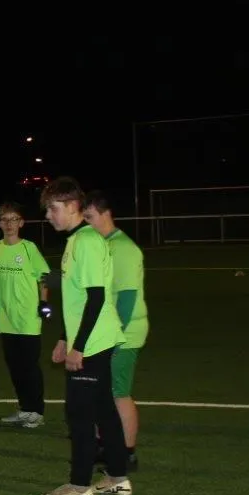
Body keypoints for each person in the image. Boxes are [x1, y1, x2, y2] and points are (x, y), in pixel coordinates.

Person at [39, 177, 132, 495]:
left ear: (72, 206)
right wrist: (64, 338)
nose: (48, 216)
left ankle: (79, 486)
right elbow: (76, 300)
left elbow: (95, 298)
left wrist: (78, 346)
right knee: (104, 410)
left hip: (93, 342)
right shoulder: (76, 241)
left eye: (53, 208)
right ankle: (118, 477)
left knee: (79, 414)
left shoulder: (87, 242)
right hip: (92, 338)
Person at [85, 191, 147, 472]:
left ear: (105, 213)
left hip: (123, 333)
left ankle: (128, 453)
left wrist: (114, 337)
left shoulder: (122, 248)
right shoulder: (103, 244)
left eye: (89, 217)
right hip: (106, 332)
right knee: (101, 391)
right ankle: (104, 446)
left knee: (118, 392)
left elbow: (127, 297)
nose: (86, 223)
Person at [0, 202, 52, 428]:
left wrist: (43, 303)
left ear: (21, 223)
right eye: (4, 219)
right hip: (5, 318)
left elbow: (43, 277)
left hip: (27, 317)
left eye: (13, 219)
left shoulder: (29, 248)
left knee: (29, 366)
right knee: (15, 367)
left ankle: (36, 412)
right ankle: (25, 409)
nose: (9, 224)